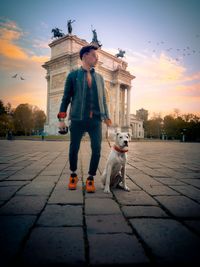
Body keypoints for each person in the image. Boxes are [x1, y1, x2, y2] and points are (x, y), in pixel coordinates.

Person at [57, 45, 112, 193]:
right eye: (94, 55)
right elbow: (66, 98)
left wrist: (106, 117)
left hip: (95, 121)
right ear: (85, 56)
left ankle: (90, 178)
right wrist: (62, 118)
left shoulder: (100, 78)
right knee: (73, 149)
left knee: (97, 149)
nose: (97, 58)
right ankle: (73, 174)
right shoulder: (72, 75)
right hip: (77, 119)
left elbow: (104, 100)